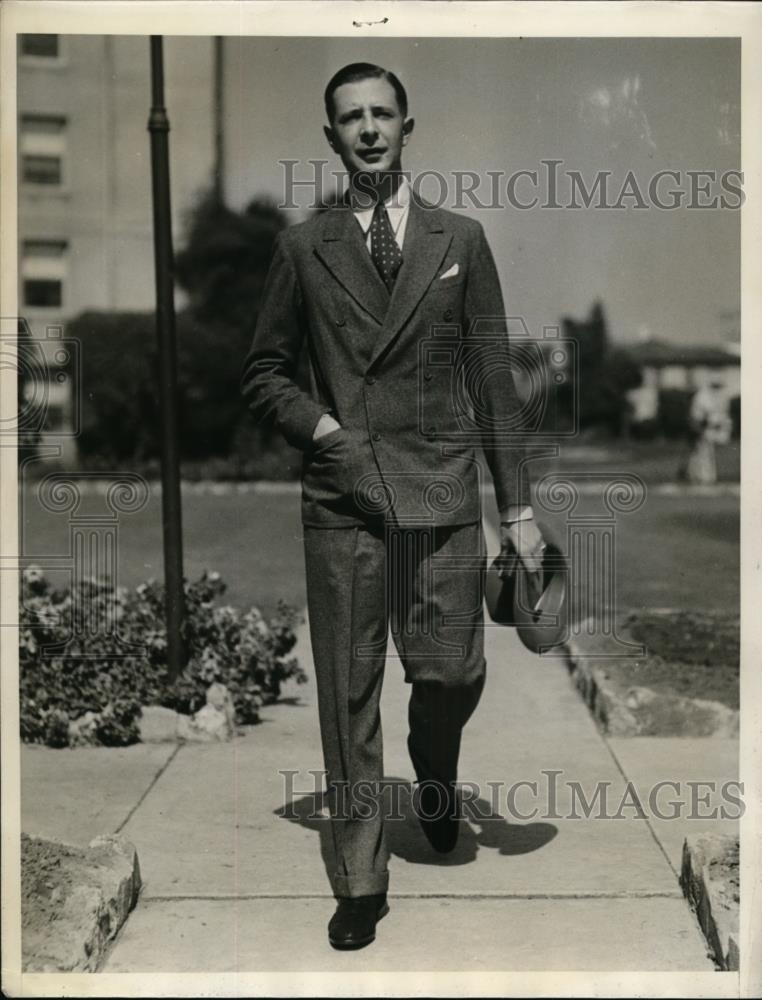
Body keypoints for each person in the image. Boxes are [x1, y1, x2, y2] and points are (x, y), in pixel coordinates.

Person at [241, 62, 545, 950]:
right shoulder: (305, 247)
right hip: (343, 504)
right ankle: (362, 878)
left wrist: (518, 512)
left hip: (444, 498)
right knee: (349, 697)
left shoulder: (461, 239)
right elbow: (264, 374)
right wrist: (326, 431)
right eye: (350, 118)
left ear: (409, 125)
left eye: (382, 113)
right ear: (329, 137)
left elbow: (492, 378)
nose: (368, 129)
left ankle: (438, 772)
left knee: (451, 676)